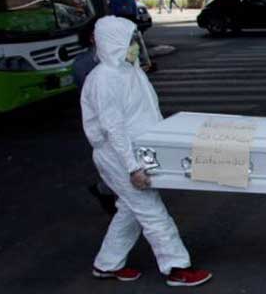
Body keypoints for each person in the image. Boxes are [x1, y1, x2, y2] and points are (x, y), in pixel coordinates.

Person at [81, 16, 212, 287]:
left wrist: (164, 143)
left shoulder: (130, 71)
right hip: (118, 156)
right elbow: (113, 129)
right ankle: (177, 268)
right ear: (114, 42)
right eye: (129, 41)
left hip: (140, 150)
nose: (135, 46)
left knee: (129, 211)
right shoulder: (103, 80)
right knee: (151, 211)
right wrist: (132, 167)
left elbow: (148, 111)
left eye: (134, 40)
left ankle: (106, 264)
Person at [74, 25, 117, 215]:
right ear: (93, 37)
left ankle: (106, 190)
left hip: (121, 118)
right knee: (119, 164)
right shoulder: (84, 64)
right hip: (106, 122)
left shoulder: (115, 57)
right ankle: (105, 190)